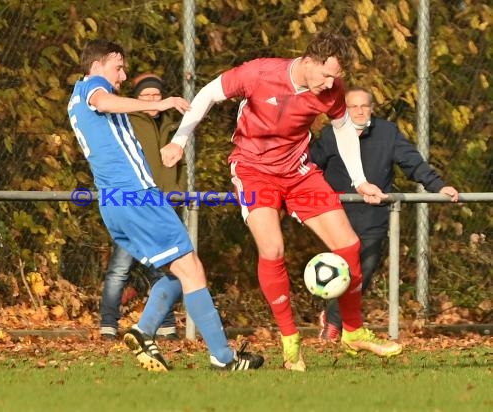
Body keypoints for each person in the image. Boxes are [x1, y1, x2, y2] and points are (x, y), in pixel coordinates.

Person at [161, 31, 403, 372]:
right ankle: (291, 345)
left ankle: (352, 331)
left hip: (299, 172)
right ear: (309, 60)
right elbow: (207, 95)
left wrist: (360, 181)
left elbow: (343, 129)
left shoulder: (332, 88)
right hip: (253, 170)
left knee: (349, 245)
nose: (331, 83)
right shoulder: (260, 73)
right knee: (272, 250)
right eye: (326, 75)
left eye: (336, 76)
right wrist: (179, 140)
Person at [67, 39, 264, 372]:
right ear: (97, 66)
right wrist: (154, 104)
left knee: (178, 273)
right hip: (137, 196)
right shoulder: (94, 85)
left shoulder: (74, 97)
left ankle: (144, 333)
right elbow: (102, 101)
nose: (123, 75)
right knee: (193, 269)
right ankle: (222, 356)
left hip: (115, 201)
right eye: (119, 67)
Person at [311, 86, 459, 340]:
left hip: (372, 216)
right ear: (344, 109)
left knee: (363, 269)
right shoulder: (330, 134)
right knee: (340, 270)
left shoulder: (387, 133)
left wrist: (438, 186)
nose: (358, 111)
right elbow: (311, 165)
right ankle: (334, 321)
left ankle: (336, 321)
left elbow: (412, 163)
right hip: (336, 214)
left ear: (372, 108)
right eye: (353, 106)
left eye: (364, 106)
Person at [99, 73, 187, 341]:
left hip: (162, 206)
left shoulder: (172, 126)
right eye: (146, 96)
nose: (152, 100)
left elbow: (179, 166)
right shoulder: (127, 123)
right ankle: (108, 323)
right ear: (136, 98)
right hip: (134, 204)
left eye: (157, 96)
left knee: (161, 268)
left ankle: (165, 323)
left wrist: (177, 194)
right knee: (120, 268)